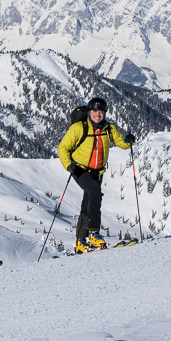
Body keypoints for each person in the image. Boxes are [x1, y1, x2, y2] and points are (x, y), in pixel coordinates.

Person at [57, 96, 134, 253]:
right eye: (94, 111)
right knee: (95, 192)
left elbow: (121, 142)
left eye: (101, 111)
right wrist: (69, 165)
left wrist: (129, 140)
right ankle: (94, 233)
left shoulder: (108, 128)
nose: (97, 114)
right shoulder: (79, 128)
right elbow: (63, 148)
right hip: (79, 169)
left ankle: (80, 242)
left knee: (88, 202)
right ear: (89, 112)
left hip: (97, 172)